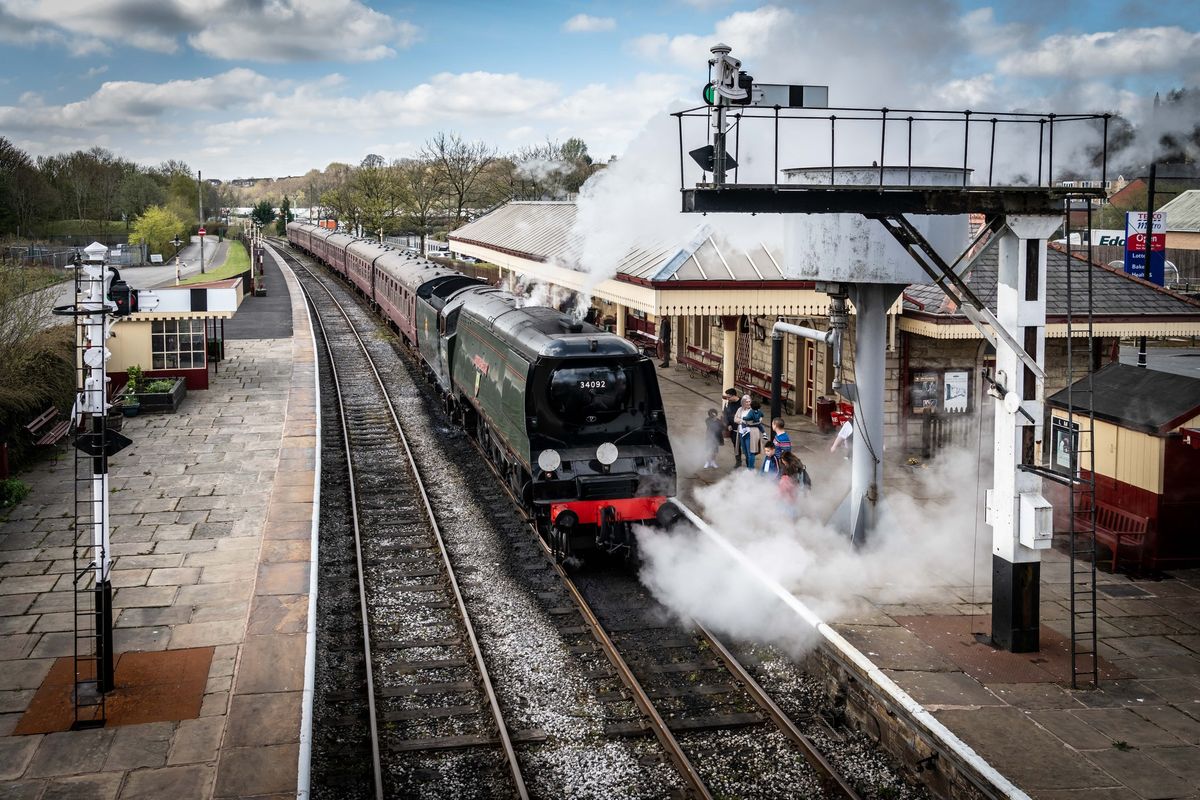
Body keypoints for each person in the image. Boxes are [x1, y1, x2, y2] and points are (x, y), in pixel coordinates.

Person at [738, 397, 764, 470]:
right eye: (747, 402)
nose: (748, 403)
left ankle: (751, 469)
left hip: (751, 433)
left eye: (750, 402)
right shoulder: (740, 409)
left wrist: (744, 420)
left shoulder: (756, 412)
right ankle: (749, 467)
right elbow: (736, 419)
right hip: (742, 432)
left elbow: (756, 421)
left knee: (751, 452)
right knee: (745, 452)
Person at [722, 388, 741, 467]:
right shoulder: (728, 403)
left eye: (729, 397)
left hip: (742, 428)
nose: (727, 399)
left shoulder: (742, 403)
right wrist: (728, 424)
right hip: (733, 428)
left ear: (734, 396)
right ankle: (738, 461)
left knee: (745, 446)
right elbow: (725, 415)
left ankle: (749, 463)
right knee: (735, 445)